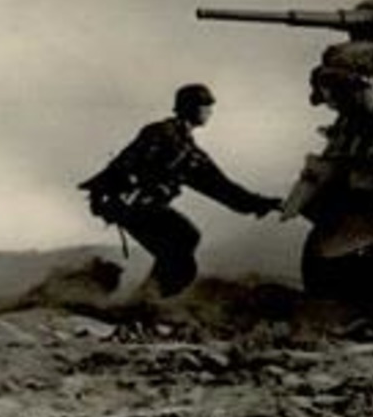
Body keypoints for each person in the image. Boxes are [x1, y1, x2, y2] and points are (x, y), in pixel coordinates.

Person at [79, 83, 281, 298]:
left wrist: (260, 203)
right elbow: (124, 164)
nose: (210, 111)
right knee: (183, 241)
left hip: (138, 206)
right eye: (205, 105)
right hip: (129, 205)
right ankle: (143, 301)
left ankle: (142, 299)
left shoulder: (189, 152)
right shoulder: (161, 134)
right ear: (191, 107)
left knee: (181, 249)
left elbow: (221, 188)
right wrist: (114, 194)